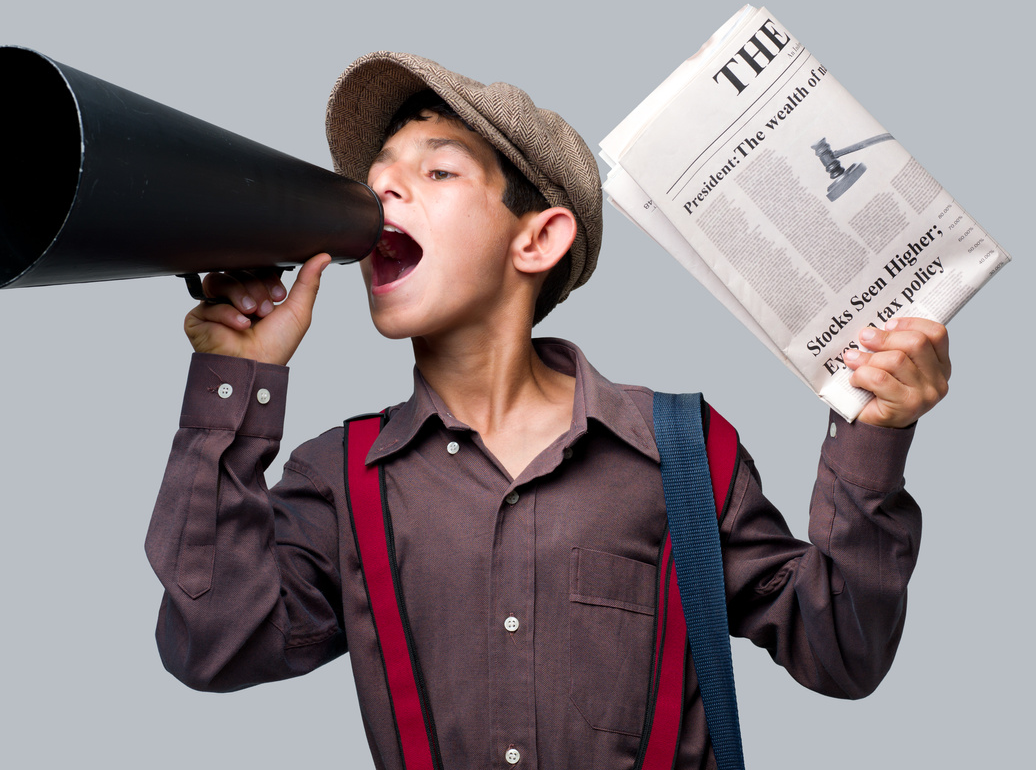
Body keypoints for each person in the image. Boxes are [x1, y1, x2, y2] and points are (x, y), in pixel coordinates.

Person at [144, 52, 951, 769]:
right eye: (377, 175)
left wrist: (873, 435)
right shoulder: (340, 476)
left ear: (538, 239)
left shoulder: (683, 452)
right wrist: (233, 382)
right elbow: (214, 647)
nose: (381, 188)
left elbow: (842, 652)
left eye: (437, 172)